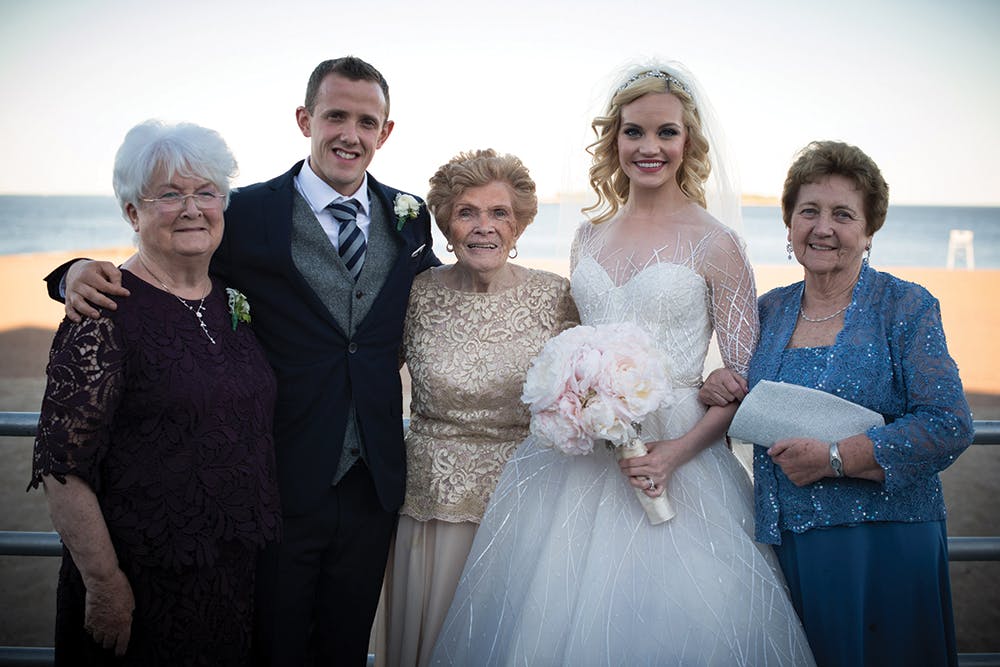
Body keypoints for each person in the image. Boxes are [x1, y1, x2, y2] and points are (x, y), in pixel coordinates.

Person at [46, 57, 440, 666]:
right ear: (306, 119)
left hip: (374, 486)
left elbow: (444, 297)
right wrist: (69, 274)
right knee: (273, 647)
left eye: (367, 121)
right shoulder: (245, 211)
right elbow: (168, 258)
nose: (350, 134)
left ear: (385, 132)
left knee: (345, 648)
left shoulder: (408, 216)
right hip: (280, 485)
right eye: (335, 115)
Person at [430, 63, 814, 665]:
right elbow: (577, 338)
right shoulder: (590, 235)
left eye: (666, 132)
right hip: (581, 453)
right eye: (634, 132)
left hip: (682, 451)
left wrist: (672, 454)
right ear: (615, 140)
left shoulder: (717, 243)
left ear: (688, 143)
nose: (649, 147)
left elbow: (744, 380)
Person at [699, 140, 974, 667]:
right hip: (791, 546)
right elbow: (747, 397)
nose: (822, 227)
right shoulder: (766, 311)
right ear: (789, 224)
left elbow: (949, 425)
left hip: (886, 543)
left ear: (869, 232)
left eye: (843, 215)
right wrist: (716, 385)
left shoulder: (906, 306)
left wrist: (835, 458)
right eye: (809, 211)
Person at [29, 120, 281, 665]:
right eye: (169, 194)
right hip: (142, 582)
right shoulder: (101, 313)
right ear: (132, 213)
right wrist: (105, 584)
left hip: (233, 576)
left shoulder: (233, 300)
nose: (192, 208)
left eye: (206, 192)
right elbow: (62, 469)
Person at [375, 149, 579, 666]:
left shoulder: (557, 297)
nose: (483, 227)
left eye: (499, 213)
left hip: (519, 505)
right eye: (467, 212)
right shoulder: (416, 292)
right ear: (446, 223)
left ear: (519, 225)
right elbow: (360, 365)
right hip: (429, 508)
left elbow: (588, 390)